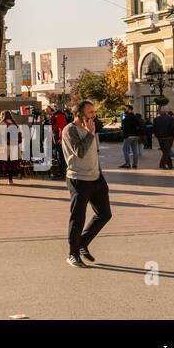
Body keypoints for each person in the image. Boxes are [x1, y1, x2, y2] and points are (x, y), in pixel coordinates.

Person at [61, 100, 112, 267]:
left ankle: (82, 243)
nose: (93, 116)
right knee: (78, 218)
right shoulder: (70, 130)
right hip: (79, 179)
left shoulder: (90, 127)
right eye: (90, 112)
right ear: (79, 114)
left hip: (96, 178)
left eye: (93, 112)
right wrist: (90, 133)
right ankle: (72, 254)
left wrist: (99, 173)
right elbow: (80, 152)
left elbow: (93, 153)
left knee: (104, 214)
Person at [0, 111, 20, 184]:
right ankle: (10, 180)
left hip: (2, 146)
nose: (0, 117)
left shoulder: (1, 124)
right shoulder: (15, 124)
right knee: (10, 164)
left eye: (0, 115)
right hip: (13, 147)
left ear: (3, 116)